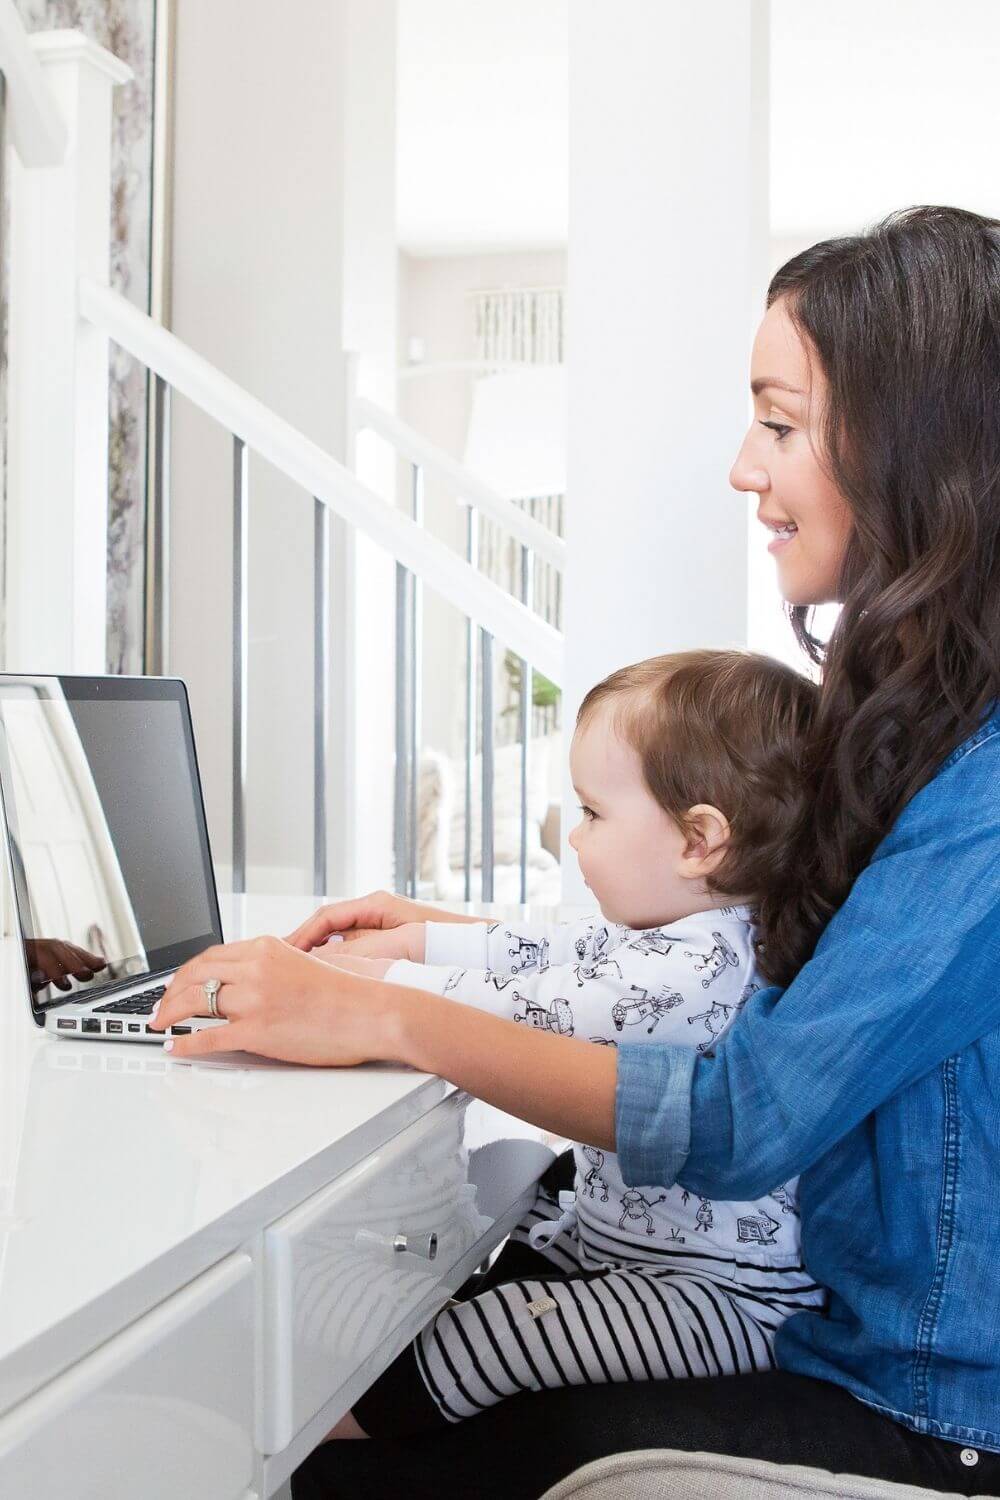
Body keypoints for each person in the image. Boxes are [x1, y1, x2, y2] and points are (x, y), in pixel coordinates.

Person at [151, 206, 1000, 1498]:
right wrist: (441, 940)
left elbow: (742, 1114)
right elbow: (712, 961)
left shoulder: (983, 787)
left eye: (779, 422)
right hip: (845, 1343)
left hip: (920, 1412)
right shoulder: (917, 728)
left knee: (319, 1466)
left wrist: (390, 1018)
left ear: (914, 452)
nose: (742, 467)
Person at [320, 649, 823, 1439]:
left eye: (592, 813)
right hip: (623, 1243)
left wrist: (369, 991)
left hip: (715, 1296)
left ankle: (316, 1443)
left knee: (499, 1330)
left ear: (700, 840)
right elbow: (547, 950)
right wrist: (410, 940)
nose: (576, 841)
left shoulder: (703, 966)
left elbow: (529, 1010)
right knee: (514, 1226)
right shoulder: (688, 928)